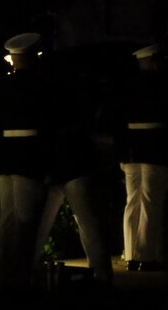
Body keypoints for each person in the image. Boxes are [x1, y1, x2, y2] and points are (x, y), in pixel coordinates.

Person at [34, 48, 114, 283]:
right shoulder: (79, 91)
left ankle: (29, 274)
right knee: (89, 222)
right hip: (75, 165)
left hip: (56, 165)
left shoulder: (46, 93)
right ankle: (102, 274)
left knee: (39, 225)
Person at [0, 32, 54, 290]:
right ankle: (22, 276)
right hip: (29, 158)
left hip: (5, 158)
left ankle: (5, 274)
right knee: (26, 222)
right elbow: (47, 126)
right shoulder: (42, 85)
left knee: (7, 220)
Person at [115, 43, 168, 272]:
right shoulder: (164, 84)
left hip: (132, 150)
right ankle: (146, 256)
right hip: (155, 149)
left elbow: (118, 121)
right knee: (151, 202)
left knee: (132, 201)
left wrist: (122, 153)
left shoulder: (126, 86)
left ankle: (132, 254)